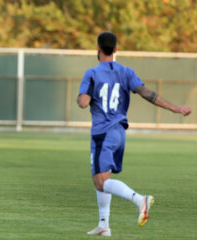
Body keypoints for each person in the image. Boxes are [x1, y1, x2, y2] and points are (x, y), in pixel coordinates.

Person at [77, 32, 191, 236]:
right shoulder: (127, 72)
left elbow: (83, 103)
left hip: (102, 133)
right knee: (104, 178)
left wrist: (86, 94)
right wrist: (175, 108)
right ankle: (104, 224)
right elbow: (148, 94)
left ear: (97, 48)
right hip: (120, 133)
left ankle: (140, 199)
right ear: (116, 50)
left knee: (100, 181)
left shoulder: (91, 73)